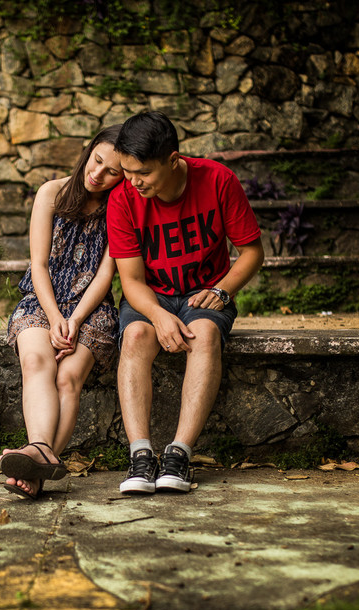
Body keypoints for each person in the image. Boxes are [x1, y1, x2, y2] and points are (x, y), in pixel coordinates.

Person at [107, 111, 264, 495]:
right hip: (151, 295)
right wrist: (159, 315)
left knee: (204, 334)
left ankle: (179, 455)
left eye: (143, 172)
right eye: (127, 171)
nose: (133, 181)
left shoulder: (218, 180)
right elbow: (131, 280)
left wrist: (223, 290)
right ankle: (140, 456)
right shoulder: (122, 198)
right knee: (136, 336)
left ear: (173, 160)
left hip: (205, 292)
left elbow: (251, 252)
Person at [0, 125, 125, 499]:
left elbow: (105, 274)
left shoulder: (119, 208)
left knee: (68, 377)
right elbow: (38, 264)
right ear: (88, 151)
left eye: (112, 172)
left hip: (91, 308)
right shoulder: (51, 193)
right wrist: (55, 317)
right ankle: (41, 454)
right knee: (36, 360)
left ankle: (35, 462)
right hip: (42, 301)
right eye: (96, 160)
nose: (98, 174)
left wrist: (75, 320)